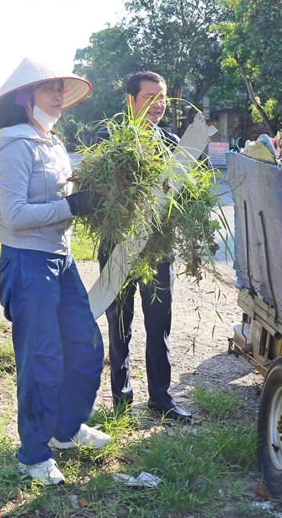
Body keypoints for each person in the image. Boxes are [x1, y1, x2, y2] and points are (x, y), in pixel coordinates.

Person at [0, 57, 109, 485]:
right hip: (28, 262)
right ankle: (33, 454)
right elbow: (14, 215)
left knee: (87, 346)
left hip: (61, 257)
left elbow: (66, 192)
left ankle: (65, 431)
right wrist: (70, 206)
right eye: (49, 88)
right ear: (25, 97)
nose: (58, 95)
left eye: (60, 88)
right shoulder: (14, 146)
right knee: (42, 359)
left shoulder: (51, 142)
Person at [97, 70, 192, 423]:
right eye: (150, 97)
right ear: (131, 100)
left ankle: (161, 398)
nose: (159, 105)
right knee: (119, 322)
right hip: (119, 246)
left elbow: (183, 186)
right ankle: (121, 398)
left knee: (159, 323)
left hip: (157, 249)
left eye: (162, 97)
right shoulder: (109, 135)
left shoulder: (170, 140)